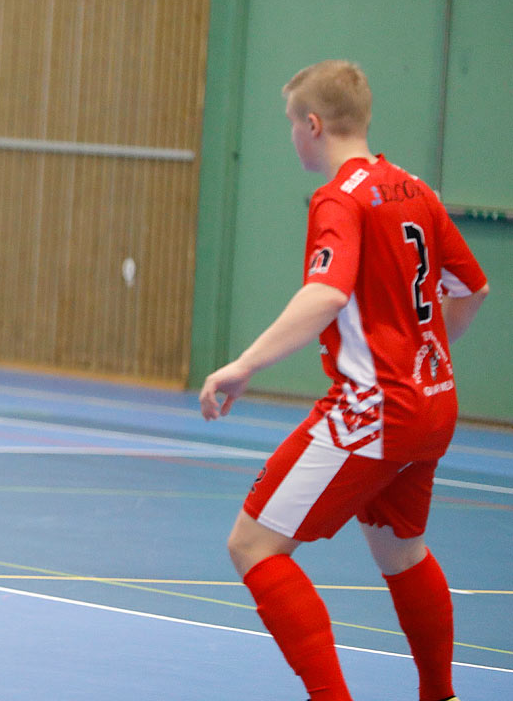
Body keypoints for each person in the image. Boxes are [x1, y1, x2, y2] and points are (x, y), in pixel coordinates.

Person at [199, 60, 489, 701]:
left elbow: (326, 293)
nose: (291, 138)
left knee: (252, 544)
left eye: (290, 125)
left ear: (312, 125)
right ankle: (439, 695)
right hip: (433, 403)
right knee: (400, 552)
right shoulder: (413, 188)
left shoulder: (340, 198)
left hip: (376, 406)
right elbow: (473, 288)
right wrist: (424, 350)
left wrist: (245, 363)